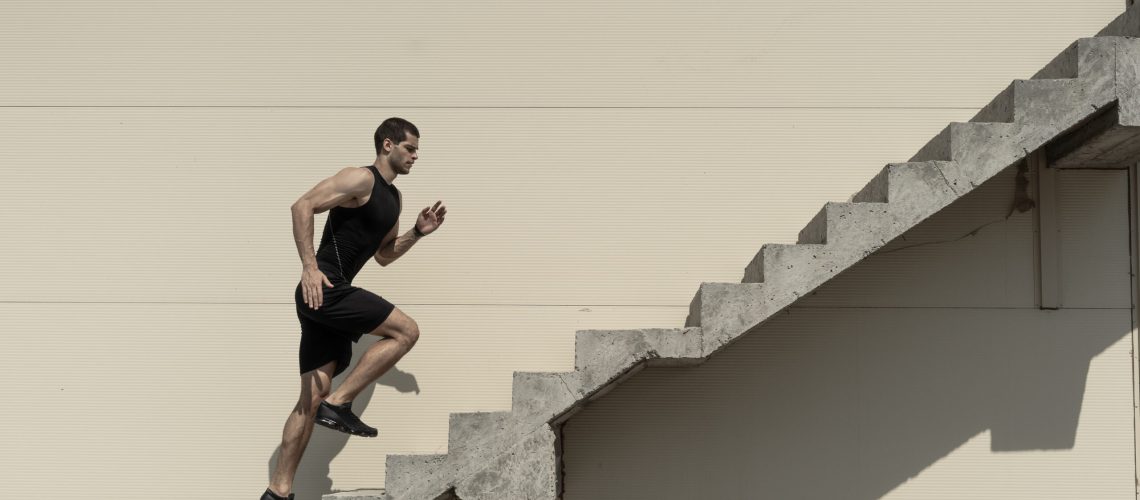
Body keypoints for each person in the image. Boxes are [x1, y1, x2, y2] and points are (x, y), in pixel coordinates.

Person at [262, 118, 446, 500]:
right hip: (325, 287)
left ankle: (277, 492)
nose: (415, 156)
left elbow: (383, 256)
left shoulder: (393, 199)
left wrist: (416, 233)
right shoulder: (360, 179)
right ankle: (340, 402)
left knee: (309, 399)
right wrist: (309, 267)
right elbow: (303, 205)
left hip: (324, 297)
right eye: (410, 148)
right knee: (406, 331)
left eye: (417, 151)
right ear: (387, 145)